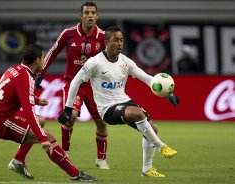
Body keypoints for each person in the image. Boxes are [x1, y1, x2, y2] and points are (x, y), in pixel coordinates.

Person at [58, 26, 180, 177]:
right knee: (137, 113)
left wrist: (167, 93)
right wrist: (68, 108)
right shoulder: (94, 62)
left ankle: (147, 169)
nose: (120, 43)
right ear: (107, 42)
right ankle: (161, 146)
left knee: (152, 129)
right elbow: (75, 81)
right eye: (116, 40)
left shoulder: (125, 61)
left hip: (124, 101)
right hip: (107, 109)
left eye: (121, 40)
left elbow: (146, 78)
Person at [0, 44, 96, 182]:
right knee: (49, 136)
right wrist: (42, 138)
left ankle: (18, 160)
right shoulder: (25, 77)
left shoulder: (15, 69)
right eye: (43, 58)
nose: (44, 62)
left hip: (2, 115)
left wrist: (36, 100)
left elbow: (16, 93)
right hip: (1, 122)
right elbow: (28, 112)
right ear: (37, 60)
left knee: (41, 120)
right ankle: (75, 174)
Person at [36, 2, 110, 169]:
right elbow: (53, 51)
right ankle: (66, 153)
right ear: (81, 15)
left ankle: (101, 159)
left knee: (102, 123)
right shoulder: (68, 34)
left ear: (97, 16)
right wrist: (41, 73)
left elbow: (114, 60)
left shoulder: (104, 37)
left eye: (93, 13)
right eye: (87, 13)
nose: (90, 15)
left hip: (95, 86)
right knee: (71, 116)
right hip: (72, 83)